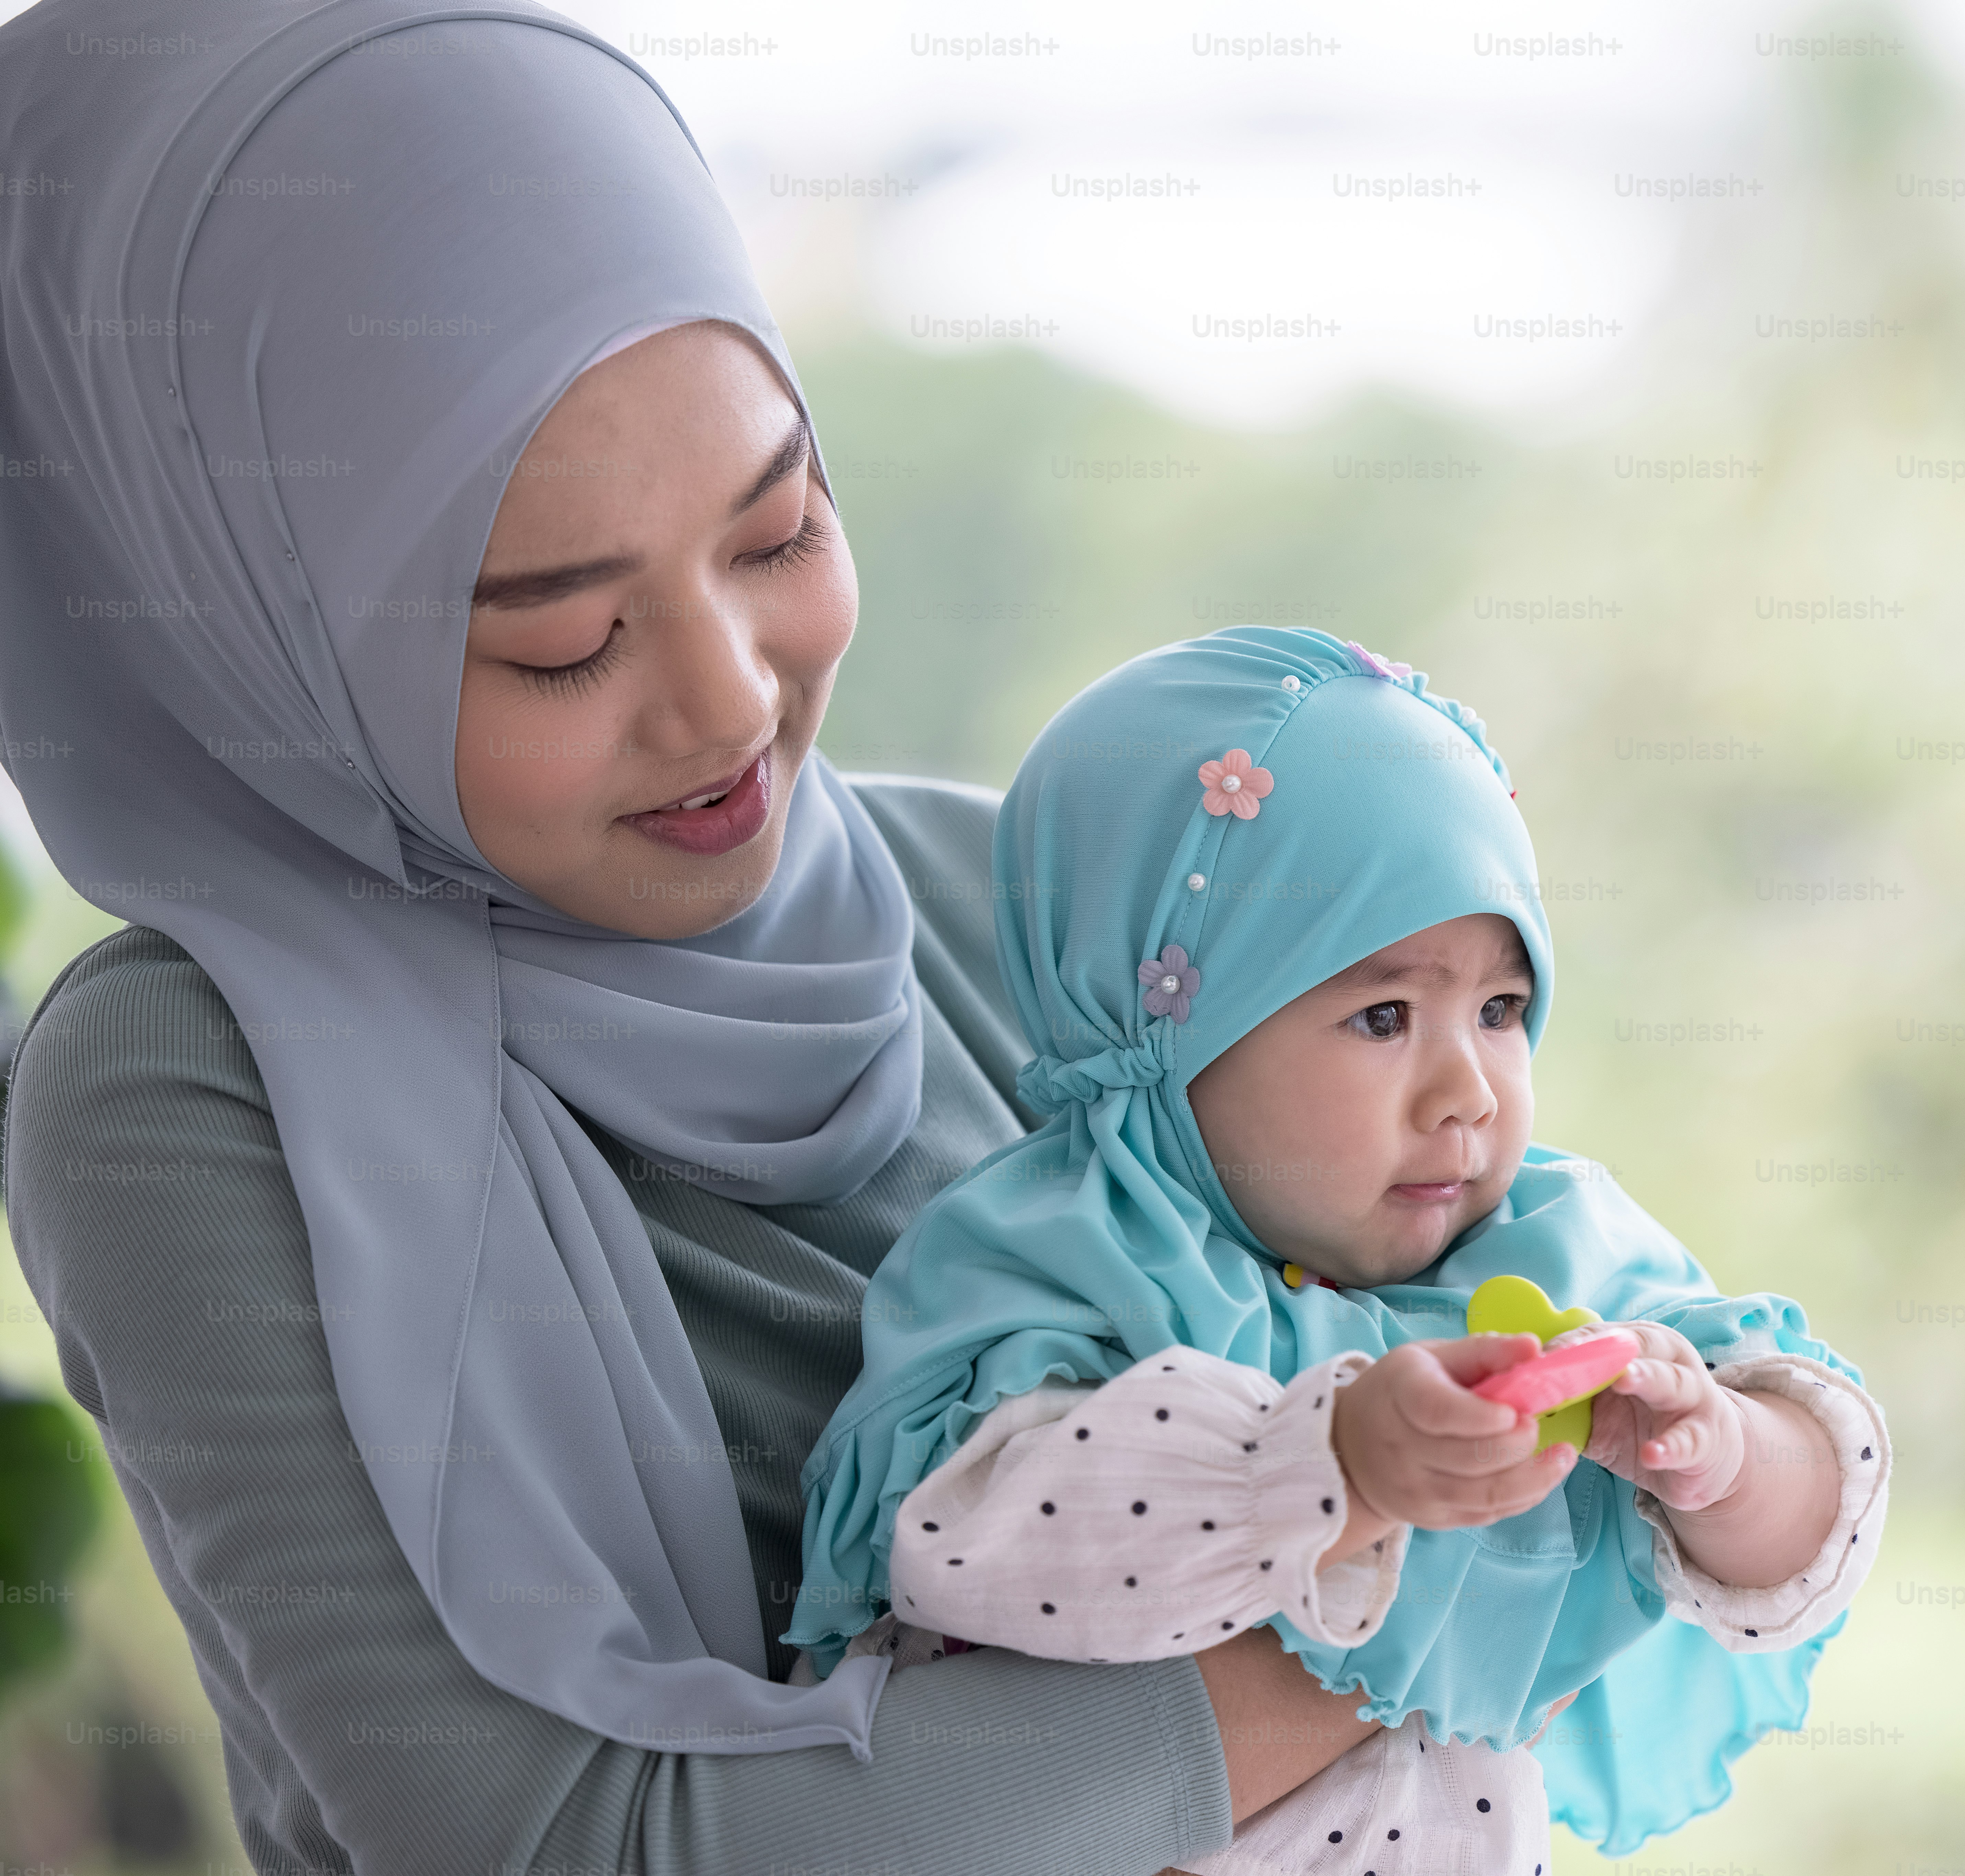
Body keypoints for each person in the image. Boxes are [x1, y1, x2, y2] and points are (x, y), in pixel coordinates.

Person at [0, 3, 1426, 1869]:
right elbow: (570, 1842)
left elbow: (1540, 1385)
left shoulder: (1020, 905)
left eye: (776, 534)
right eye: (558, 641)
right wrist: (1405, 1631)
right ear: (257, 638)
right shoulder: (186, 1086)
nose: (726, 700)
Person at [786, 630, 1893, 1871]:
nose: (1468, 1090)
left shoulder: (1550, 1247)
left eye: (1502, 1010)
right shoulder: (1069, 1253)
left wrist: (1728, 1459)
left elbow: (1818, 1488)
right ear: (1168, 1033)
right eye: (1383, 1015)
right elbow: (977, 1544)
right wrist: (1325, 1465)